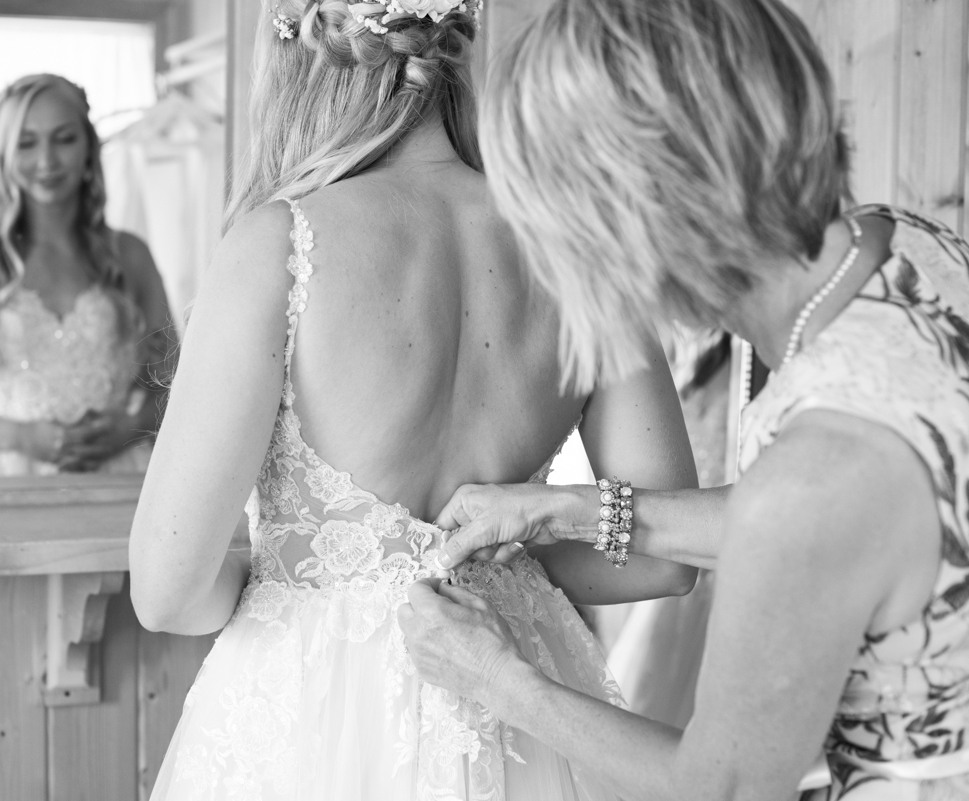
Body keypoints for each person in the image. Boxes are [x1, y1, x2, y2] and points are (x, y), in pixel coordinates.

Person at [398, 1, 969, 799]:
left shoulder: (816, 476)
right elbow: (840, 532)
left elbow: (724, 784)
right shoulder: (907, 251)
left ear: (633, 214)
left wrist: (499, 679)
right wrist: (563, 507)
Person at [128, 0, 699, 797]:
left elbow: (166, 592)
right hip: (518, 695)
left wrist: (308, 577)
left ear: (299, 55)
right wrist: (504, 569)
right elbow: (667, 557)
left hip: (312, 708)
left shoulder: (276, 243)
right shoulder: (583, 246)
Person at [0, 74, 173, 477]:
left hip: (115, 473)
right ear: (4, 154)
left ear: (87, 148)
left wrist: (125, 430)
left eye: (64, 139)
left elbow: (174, 385)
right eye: (27, 143)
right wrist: (20, 437)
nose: (47, 161)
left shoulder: (130, 255)